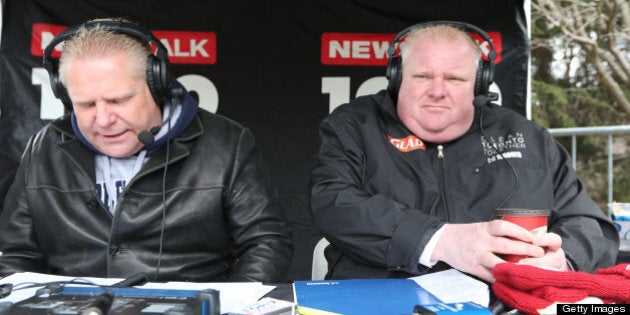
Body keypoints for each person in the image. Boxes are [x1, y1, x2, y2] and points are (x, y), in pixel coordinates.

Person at [309, 21, 619, 283]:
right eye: (422, 76)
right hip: (379, 297)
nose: (437, 91)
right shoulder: (354, 124)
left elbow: (591, 225)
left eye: (455, 79)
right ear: (396, 77)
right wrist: (440, 240)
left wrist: (565, 258)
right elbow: (333, 202)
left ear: (480, 84)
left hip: (502, 301)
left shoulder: (527, 136)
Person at [0, 18, 293, 283]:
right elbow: (15, 256)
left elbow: (267, 242)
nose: (103, 120)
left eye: (118, 100)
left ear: (156, 85)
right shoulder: (44, 148)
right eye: (86, 105)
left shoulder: (226, 142)